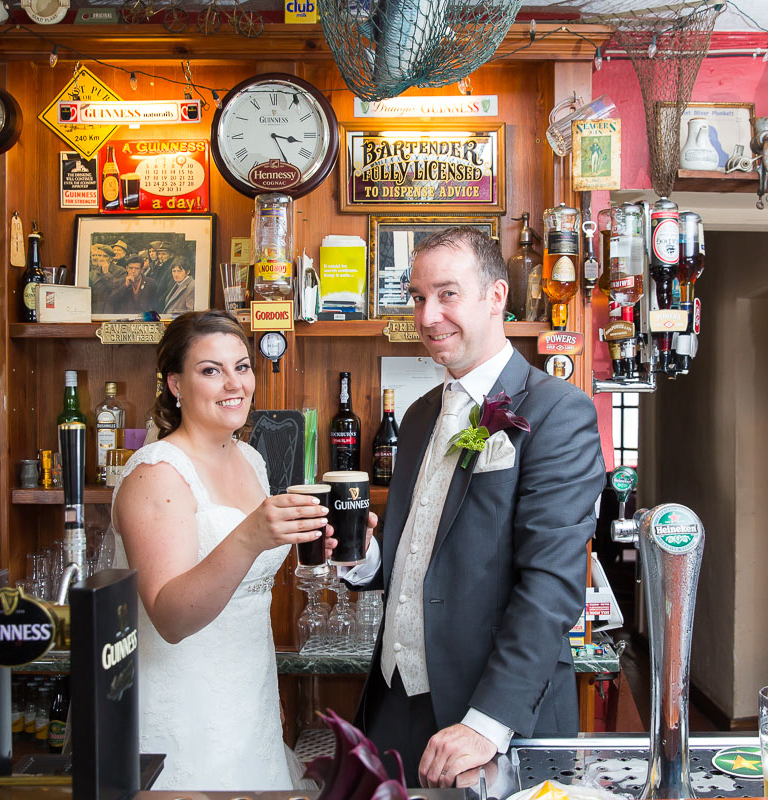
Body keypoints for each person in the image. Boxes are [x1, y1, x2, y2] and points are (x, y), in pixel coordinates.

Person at [343, 227, 606, 787]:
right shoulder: (418, 417)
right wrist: (363, 556)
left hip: (498, 718)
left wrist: (488, 724)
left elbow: (551, 583)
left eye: (447, 294)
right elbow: (418, 557)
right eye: (418, 297)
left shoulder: (559, 412)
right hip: (395, 702)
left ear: (496, 296)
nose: (428, 315)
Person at [111, 310, 377, 789]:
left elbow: (250, 590)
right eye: (210, 370)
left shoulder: (250, 458)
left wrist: (329, 544)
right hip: (183, 711)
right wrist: (250, 536)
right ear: (174, 383)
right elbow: (170, 619)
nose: (234, 383)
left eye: (242, 366)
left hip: (247, 703)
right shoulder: (156, 473)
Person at [88, 243, 125, 314]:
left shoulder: (120, 271)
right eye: (99, 255)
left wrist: (106, 273)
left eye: (105, 256)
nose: (101, 259)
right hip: (96, 309)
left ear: (111, 259)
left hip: (112, 309)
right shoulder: (92, 273)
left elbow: (118, 289)